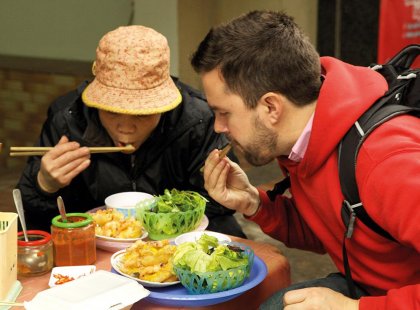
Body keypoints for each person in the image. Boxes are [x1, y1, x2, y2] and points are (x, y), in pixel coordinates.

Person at [191, 10, 419, 310]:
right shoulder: (303, 137)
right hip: (368, 284)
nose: (219, 127)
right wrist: (254, 203)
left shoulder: (386, 162)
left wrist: (354, 308)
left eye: (224, 113)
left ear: (272, 107)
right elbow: (338, 228)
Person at [17, 25, 246, 238]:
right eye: (112, 111)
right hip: (92, 248)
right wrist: (44, 185)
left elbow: (221, 208)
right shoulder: (69, 120)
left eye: (142, 113)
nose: (125, 128)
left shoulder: (198, 120)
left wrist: (175, 215)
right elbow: (29, 226)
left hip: (180, 241)